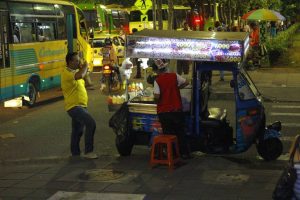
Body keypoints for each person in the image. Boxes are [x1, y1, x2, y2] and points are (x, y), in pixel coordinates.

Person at [152, 59, 191, 159]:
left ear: (157, 71)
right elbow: (186, 82)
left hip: (164, 112)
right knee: (180, 133)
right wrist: (177, 88)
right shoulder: (174, 76)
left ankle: (172, 154)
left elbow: (157, 96)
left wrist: (155, 99)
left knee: (169, 134)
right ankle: (184, 153)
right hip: (177, 110)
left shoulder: (157, 81)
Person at [61, 52, 97, 159]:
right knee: (91, 123)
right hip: (74, 106)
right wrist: (85, 66)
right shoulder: (66, 72)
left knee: (77, 130)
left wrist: (85, 70)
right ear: (70, 62)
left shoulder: (77, 71)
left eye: (78, 60)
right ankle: (89, 151)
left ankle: (75, 153)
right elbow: (80, 75)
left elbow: (88, 83)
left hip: (81, 105)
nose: (78, 62)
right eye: (76, 60)